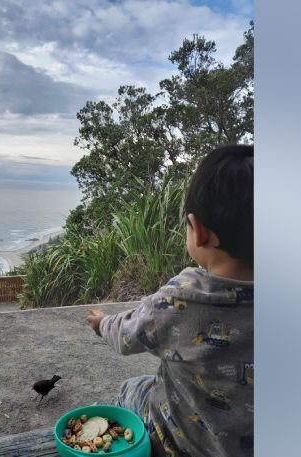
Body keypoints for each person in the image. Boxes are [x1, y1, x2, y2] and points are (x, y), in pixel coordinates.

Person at [86, 144, 254, 456]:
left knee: (132, 388)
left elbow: (126, 335)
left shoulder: (183, 297)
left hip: (182, 447)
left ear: (200, 232)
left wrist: (101, 323)